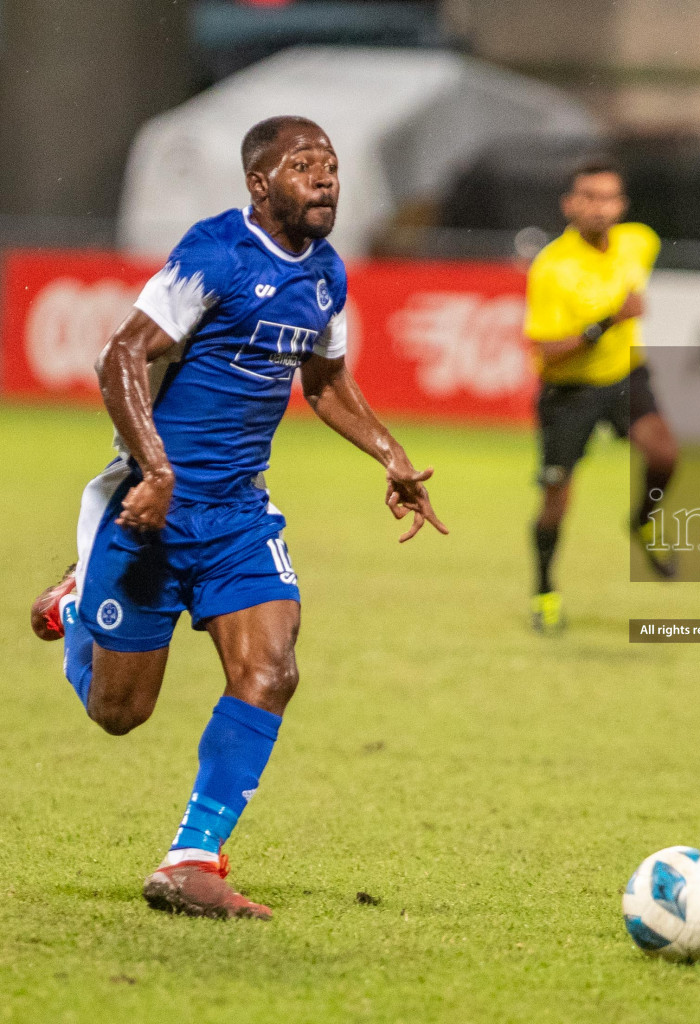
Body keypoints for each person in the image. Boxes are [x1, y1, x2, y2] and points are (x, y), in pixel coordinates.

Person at [28, 115, 447, 921]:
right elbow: (121, 353)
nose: (325, 177)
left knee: (272, 672)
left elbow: (324, 380)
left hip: (238, 518)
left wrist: (391, 454)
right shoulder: (215, 251)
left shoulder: (326, 275)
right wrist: (154, 470)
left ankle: (190, 858)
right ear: (261, 184)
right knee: (120, 714)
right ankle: (81, 601)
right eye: (303, 166)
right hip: (154, 515)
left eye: (330, 163)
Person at [522, 157, 678, 632]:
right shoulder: (552, 266)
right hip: (569, 391)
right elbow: (546, 351)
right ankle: (545, 591)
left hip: (626, 376)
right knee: (556, 499)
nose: (599, 207)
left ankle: (642, 522)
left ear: (622, 205)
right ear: (569, 204)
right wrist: (607, 322)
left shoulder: (639, 241)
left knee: (665, 454)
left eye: (608, 197)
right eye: (588, 197)